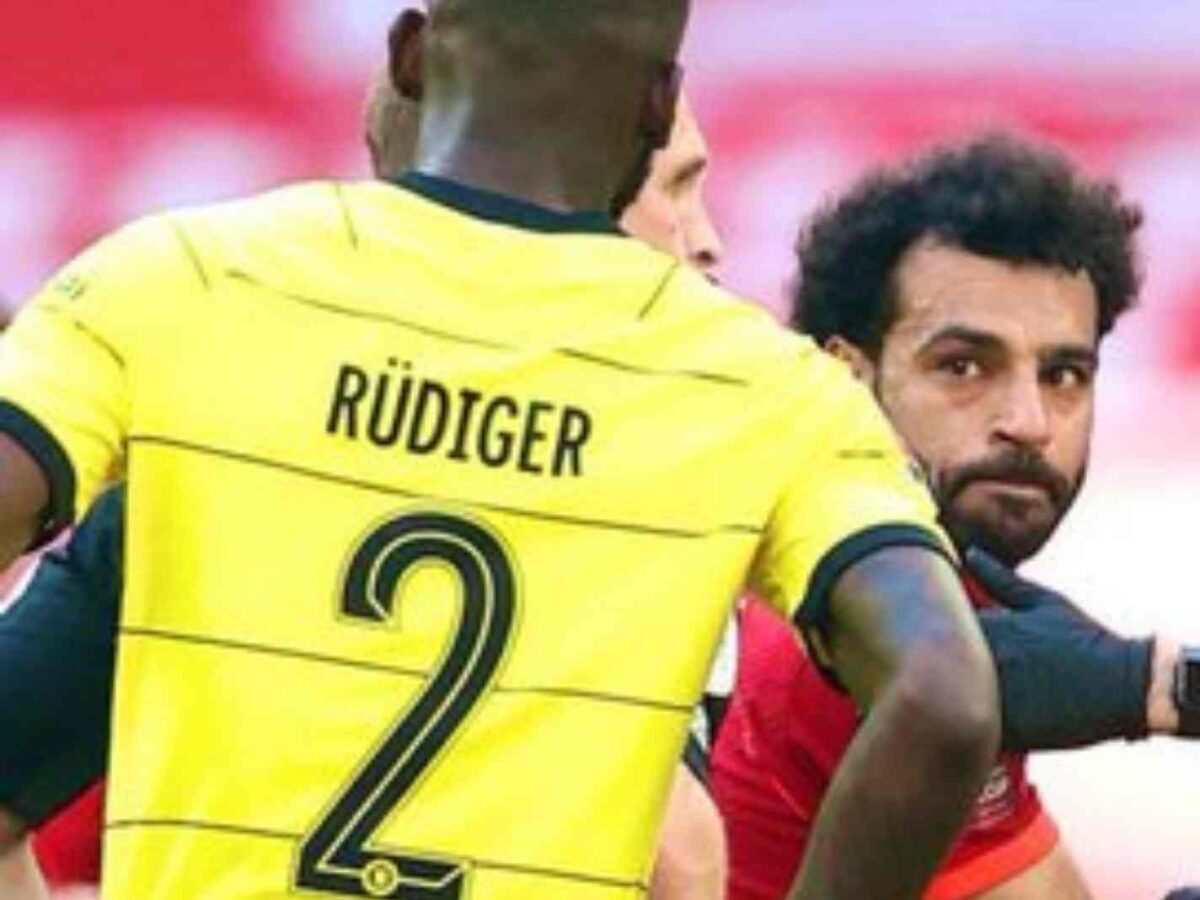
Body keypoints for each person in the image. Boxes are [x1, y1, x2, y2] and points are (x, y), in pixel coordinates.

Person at [0, 3, 1002, 899]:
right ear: (659, 106)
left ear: (410, 53)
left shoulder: (181, 278)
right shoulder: (769, 394)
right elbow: (946, 703)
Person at [27, 38, 732, 900]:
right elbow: (680, 867)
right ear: (564, 193)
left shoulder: (201, 476)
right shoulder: (679, 497)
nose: (710, 242)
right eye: (680, 188)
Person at [711, 135, 1198, 900]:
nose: (1029, 422)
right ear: (848, 379)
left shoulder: (934, 606)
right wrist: (1156, 686)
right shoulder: (854, 652)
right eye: (965, 366)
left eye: (1064, 374)